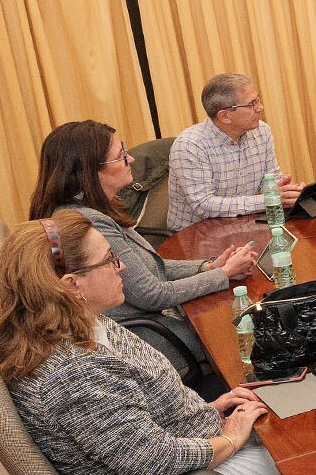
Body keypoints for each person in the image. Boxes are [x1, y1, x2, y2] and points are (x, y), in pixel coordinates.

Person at [0, 213, 278, 475]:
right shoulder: (74, 373)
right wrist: (231, 438)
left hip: (157, 471)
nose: (121, 266)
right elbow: (154, 461)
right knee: (296, 465)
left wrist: (209, 408)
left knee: (281, 430)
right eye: (108, 259)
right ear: (72, 284)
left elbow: (129, 424)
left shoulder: (76, 320)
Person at [27, 121, 258, 382]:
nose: (131, 159)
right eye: (121, 156)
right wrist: (223, 275)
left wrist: (207, 267)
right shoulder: (87, 223)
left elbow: (149, 266)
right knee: (239, 325)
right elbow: (151, 295)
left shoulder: (92, 208)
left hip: (151, 322)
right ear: (91, 171)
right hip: (146, 335)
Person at [166, 73, 299, 232]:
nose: (260, 108)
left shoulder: (261, 131)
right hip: (195, 235)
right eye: (252, 104)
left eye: (257, 100)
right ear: (225, 116)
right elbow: (204, 205)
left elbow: (269, 179)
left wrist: (285, 192)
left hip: (243, 225)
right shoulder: (190, 145)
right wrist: (268, 200)